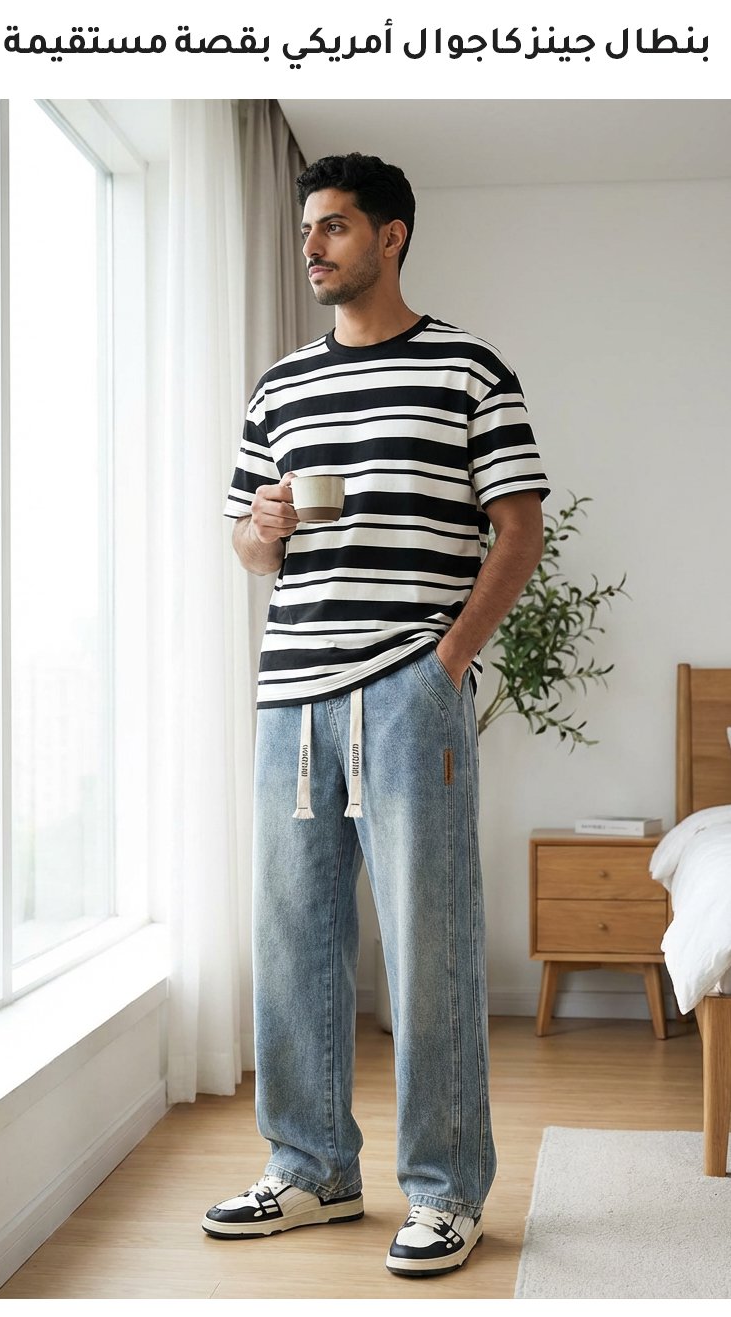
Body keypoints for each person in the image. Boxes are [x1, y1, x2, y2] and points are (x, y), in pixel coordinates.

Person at [202, 152, 549, 1277]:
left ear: (391, 236)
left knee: (428, 945)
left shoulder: (469, 369)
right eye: (308, 226)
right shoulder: (279, 388)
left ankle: (447, 1191)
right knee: (292, 937)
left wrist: (447, 662)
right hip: (291, 695)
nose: (312, 245)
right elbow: (249, 548)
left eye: (336, 226)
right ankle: (312, 1171)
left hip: (410, 684)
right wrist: (261, 526)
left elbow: (520, 529)